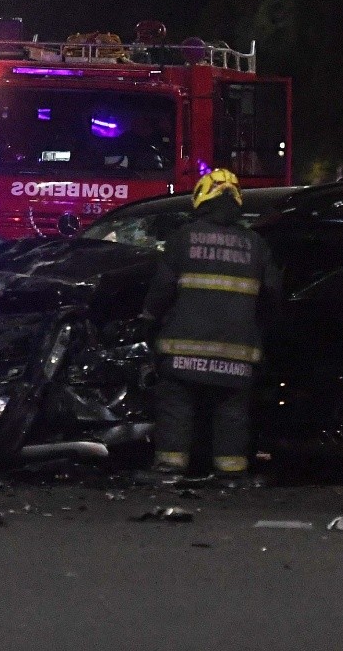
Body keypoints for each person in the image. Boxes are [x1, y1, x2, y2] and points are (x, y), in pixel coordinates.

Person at [138, 168, 280, 483]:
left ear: (202, 199)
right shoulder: (255, 244)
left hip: (182, 351)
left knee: (177, 405)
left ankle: (170, 468)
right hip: (238, 353)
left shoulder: (182, 239)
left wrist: (148, 321)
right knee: (232, 412)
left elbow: (161, 290)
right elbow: (273, 294)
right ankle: (231, 472)